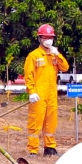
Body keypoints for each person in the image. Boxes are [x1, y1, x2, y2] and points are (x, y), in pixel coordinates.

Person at [24, 24, 70, 156]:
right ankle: (32, 149)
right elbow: (28, 75)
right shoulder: (33, 56)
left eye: (50, 37)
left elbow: (65, 68)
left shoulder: (54, 55)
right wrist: (31, 91)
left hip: (51, 94)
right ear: (40, 38)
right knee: (35, 121)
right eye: (45, 37)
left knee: (51, 122)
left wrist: (58, 55)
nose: (48, 40)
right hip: (38, 94)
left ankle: (49, 147)